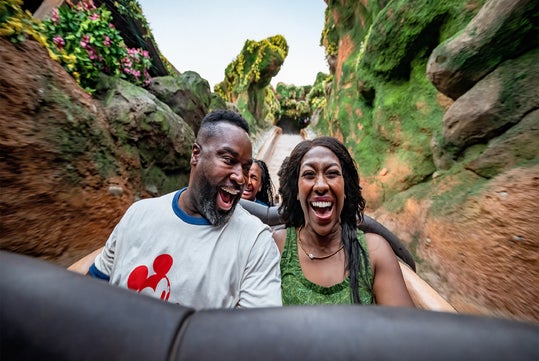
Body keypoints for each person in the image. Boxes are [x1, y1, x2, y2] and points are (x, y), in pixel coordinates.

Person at [88, 110, 282, 309]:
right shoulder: (137, 215)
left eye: (245, 168)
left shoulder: (256, 243)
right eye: (228, 160)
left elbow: (257, 333)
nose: (240, 177)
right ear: (196, 154)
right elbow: (93, 288)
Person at [273, 136, 414, 306]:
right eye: (309, 175)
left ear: (346, 188)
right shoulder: (277, 247)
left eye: (332, 173)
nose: (321, 185)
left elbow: (404, 328)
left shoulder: (374, 252)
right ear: (296, 191)